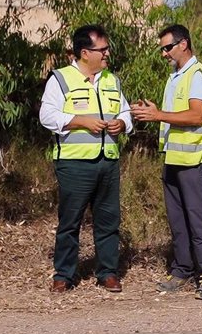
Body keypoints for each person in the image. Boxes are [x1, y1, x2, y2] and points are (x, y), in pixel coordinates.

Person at [131, 24, 202, 300]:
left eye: (167, 47)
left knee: (197, 220)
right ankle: (182, 270)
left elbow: (196, 116)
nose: (164, 53)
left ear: (183, 44)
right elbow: (171, 114)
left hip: (192, 160)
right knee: (178, 220)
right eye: (162, 48)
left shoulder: (197, 75)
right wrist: (151, 112)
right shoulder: (176, 75)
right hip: (173, 158)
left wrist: (158, 115)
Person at [39, 24, 132, 293]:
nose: (107, 54)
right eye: (101, 49)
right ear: (84, 52)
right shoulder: (61, 79)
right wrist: (80, 122)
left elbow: (125, 112)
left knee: (108, 220)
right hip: (74, 164)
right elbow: (47, 116)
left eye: (107, 49)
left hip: (108, 162)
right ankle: (64, 275)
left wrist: (123, 125)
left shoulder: (111, 80)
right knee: (70, 222)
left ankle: (108, 273)